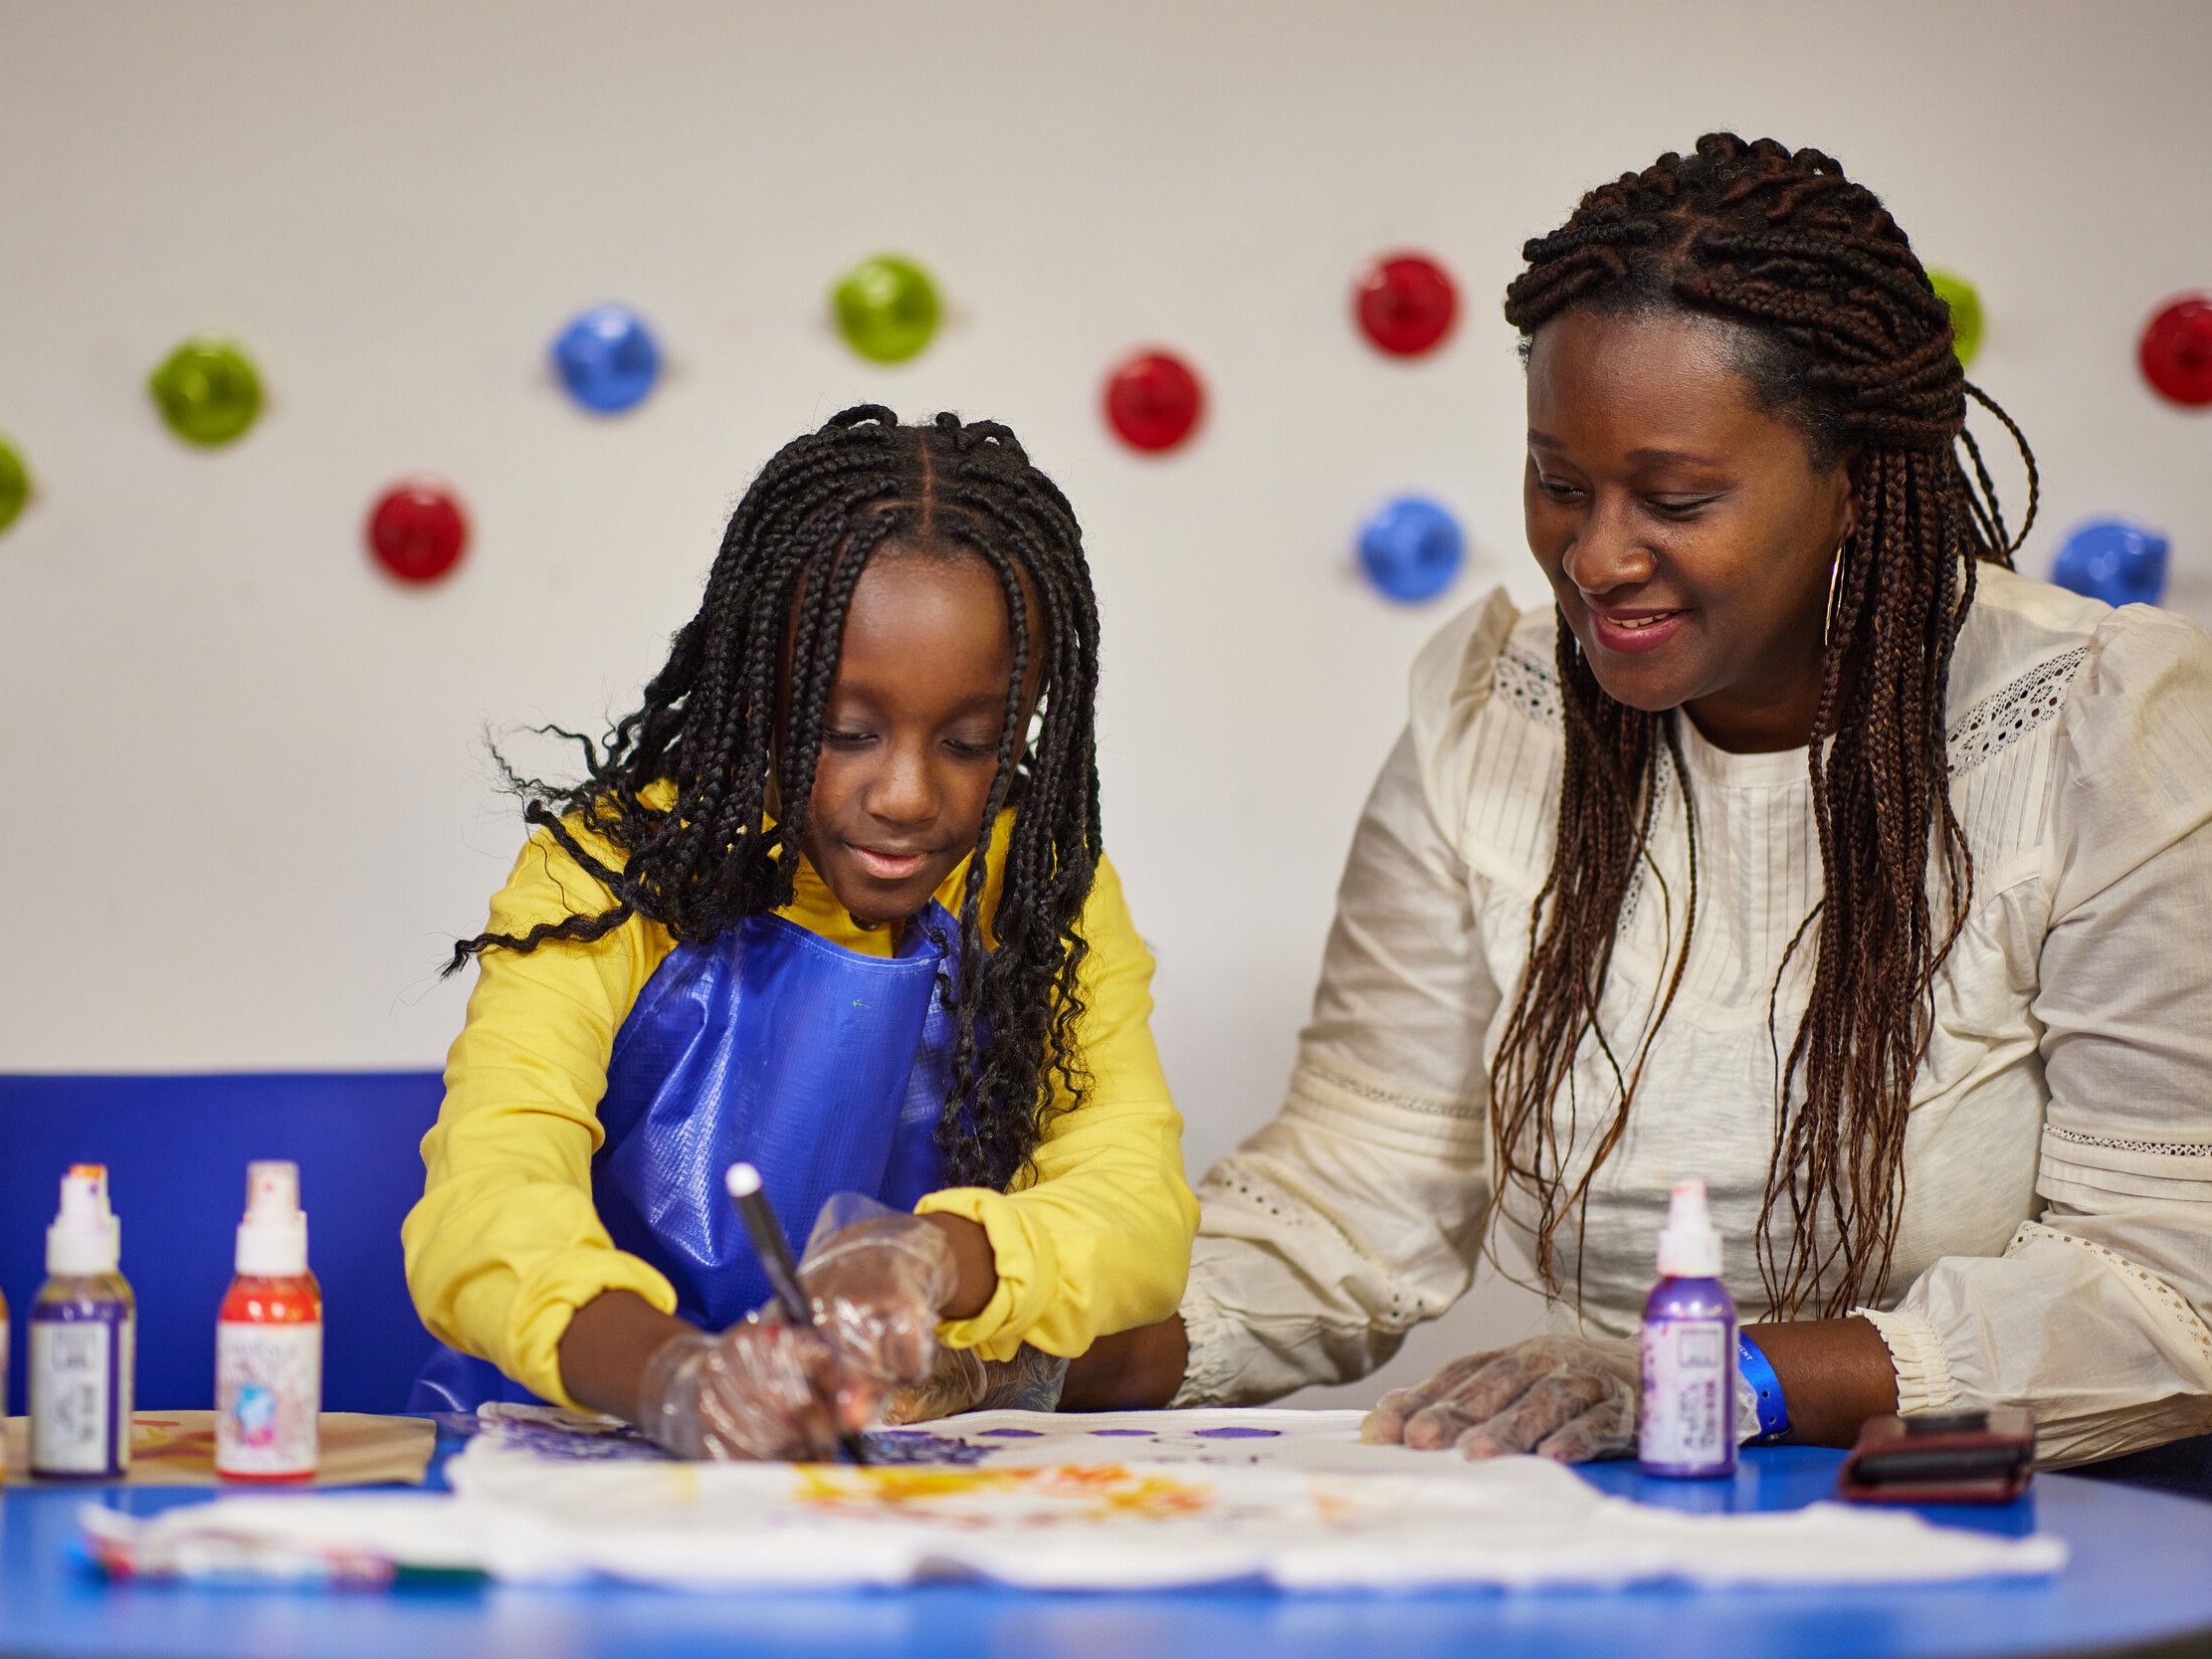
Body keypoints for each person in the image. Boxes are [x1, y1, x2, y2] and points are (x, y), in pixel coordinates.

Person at [1069, 134, 2212, 1471]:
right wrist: (1008, 1341)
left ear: (1852, 481)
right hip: (1630, 1535)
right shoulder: (1488, 713)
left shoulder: (2098, 731)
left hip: (2028, 1526)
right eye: (1557, 482)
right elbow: (1343, 1205)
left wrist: (1709, 1372)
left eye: (1674, 497)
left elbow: (2162, 1292)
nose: (1594, 554)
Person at [403, 406, 1195, 1459]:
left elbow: (1136, 1195)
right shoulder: (611, 868)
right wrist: (672, 1374)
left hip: (880, 1451)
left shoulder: (1034, 880)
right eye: (845, 731)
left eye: (971, 740)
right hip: (587, 1430)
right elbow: (487, 1194)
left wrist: (939, 1256)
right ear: (759, 691)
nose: (909, 794)